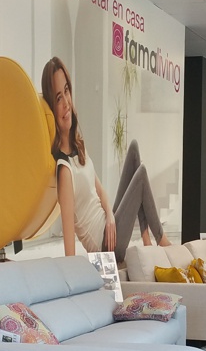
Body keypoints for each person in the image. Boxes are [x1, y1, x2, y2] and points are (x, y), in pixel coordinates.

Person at [41, 56, 169, 262]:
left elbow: (100, 192)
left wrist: (110, 215)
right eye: (58, 99)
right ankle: (161, 240)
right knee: (142, 174)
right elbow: (69, 250)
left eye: (66, 91)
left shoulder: (79, 147)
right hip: (106, 247)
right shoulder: (65, 170)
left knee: (133, 149)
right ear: (51, 107)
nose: (66, 103)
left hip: (109, 227)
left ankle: (146, 239)